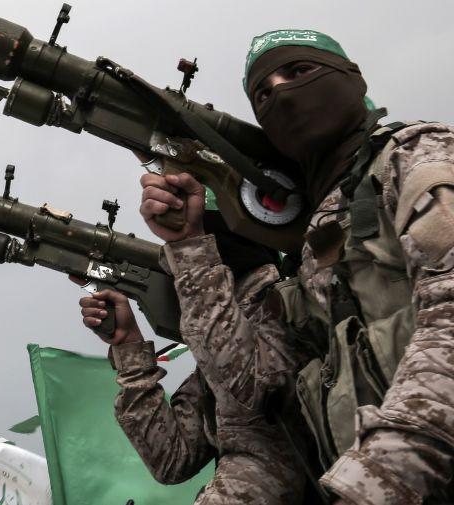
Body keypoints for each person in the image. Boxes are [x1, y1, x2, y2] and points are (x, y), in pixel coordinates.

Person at [132, 30, 454, 503]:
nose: (280, 92)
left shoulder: (417, 154)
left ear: (351, 77)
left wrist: (381, 479)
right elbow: (254, 387)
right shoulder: (315, 244)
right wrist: (190, 245)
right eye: (263, 93)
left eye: (299, 72)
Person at [79, 209, 311, 504]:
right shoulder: (218, 363)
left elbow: (254, 394)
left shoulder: (284, 318)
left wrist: (191, 258)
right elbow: (172, 458)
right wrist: (129, 346)